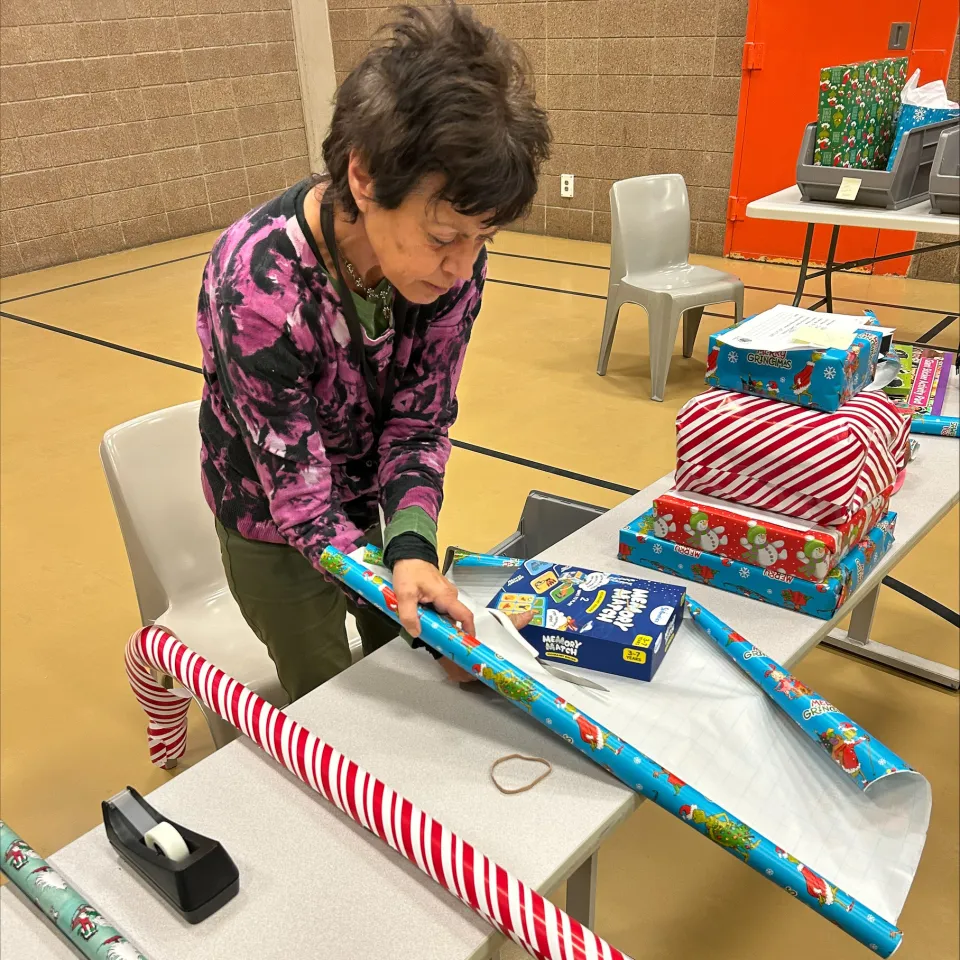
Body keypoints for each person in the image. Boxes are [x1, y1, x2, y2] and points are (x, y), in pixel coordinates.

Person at [196, 3, 551, 702]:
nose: (462, 266)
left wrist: (412, 549)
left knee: (412, 667)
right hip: (271, 522)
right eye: (445, 235)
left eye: (483, 239)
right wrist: (389, 574)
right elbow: (300, 503)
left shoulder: (451, 267)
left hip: (364, 505)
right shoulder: (257, 286)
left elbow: (418, 422)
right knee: (327, 699)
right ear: (363, 176)